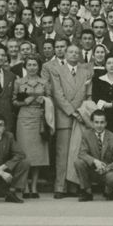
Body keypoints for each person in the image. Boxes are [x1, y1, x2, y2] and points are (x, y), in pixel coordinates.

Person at [47, 44, 91, 199]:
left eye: (76, 52)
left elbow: (88, 95)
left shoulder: (85, 72)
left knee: (77, 153)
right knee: (62, 154)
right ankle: (60, 186)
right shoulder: (56, 70)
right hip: (65, 116)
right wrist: (72, 112)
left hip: (81, 116)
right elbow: (58, 95)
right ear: (64, 54)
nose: (73, 54)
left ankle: (75, 185)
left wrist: (82, 112)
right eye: (70, 52)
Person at [12, 55, 49, 198]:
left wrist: (44, 99)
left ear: (39, 66)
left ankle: (34, 186)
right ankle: (25, 186)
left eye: (35, 65)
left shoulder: (44, 82)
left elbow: (51, 98)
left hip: (39, 118)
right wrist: (24, 102)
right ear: (25, 66)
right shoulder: (19, 82)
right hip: (24, 118)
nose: (32, 67)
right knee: (25, 154)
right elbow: (14, 101)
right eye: (29, 65)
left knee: (38, 155)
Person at [76, 110, 113, 201]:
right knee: (79, 162)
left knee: (112, 178)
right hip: (93, 169)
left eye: (102, 122)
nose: (99, 125)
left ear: (106, 123)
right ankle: (87, 191)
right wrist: (95, 161)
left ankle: (110, 190)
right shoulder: (86, 135)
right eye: (96, 122)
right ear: (92, 123)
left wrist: (106, 168)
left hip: (109, 171)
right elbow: (82, 153)